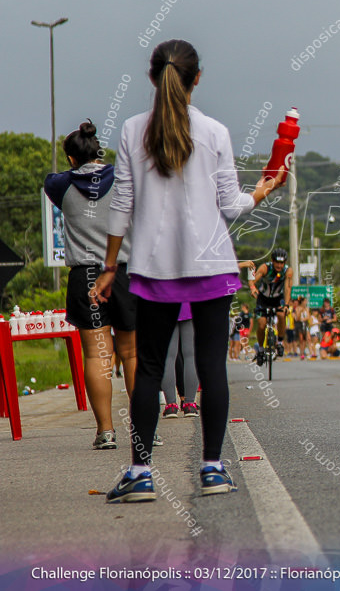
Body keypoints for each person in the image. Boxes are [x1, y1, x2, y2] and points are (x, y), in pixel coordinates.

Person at [91, 39, 285, 503]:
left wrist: (109, 266)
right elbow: (230, 205)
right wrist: (262, 191)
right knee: (211, 365)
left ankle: (140, 473)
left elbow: (121, 205)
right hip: (212, 264)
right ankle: (213, 469)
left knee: (151, 369)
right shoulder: (215, 132)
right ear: (197, 78)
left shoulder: (133, 130)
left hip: (155, 270)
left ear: (153, 77)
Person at [44, 119, 138, 450]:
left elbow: (54, 179)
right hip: (124, 272)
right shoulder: (124, 180)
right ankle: (143, 429)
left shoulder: (59, 186)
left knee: (99, 356)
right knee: (131, 353)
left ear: (71, 158)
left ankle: (106, 431)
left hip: (85, 276)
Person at [248, 248, 292, 360]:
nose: (279, 265)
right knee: (262, 324)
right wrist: (253, 288)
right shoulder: (265, 267)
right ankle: (261, 350)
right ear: (272, 261)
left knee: (282, 315)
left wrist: (286, 304)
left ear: (285, 262)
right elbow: (253, 279)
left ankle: (280, 342)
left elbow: (287, 288)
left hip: (278, 298)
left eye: (282, 263)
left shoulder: (288, 271)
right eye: (277, 262)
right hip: (263, 298)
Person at [161, 303, 200, 419]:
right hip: (189, 304)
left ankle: (171, 406)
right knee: (190, 356)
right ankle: (190, 404)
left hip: (164, 303)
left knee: (168, 357)